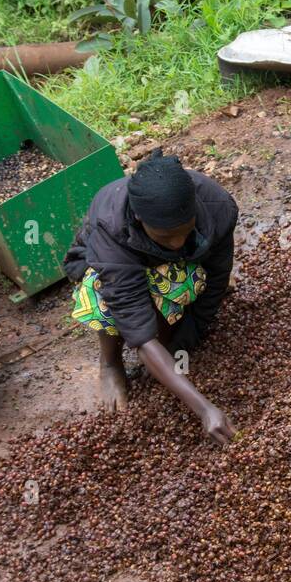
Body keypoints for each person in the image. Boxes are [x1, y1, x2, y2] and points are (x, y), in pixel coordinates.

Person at [64, 149, 238, 442]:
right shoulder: (112, 224)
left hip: (172, 265)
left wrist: (187, 338)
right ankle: (110, 362)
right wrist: (204, 408)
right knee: (104, 295)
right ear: (139, 219)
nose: (178, 241)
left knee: (194, 284)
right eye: (165, 236)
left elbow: (218, 277)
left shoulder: (217, 205)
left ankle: (167, 345)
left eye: (185, 231)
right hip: (109, 266)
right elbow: (134, 321)